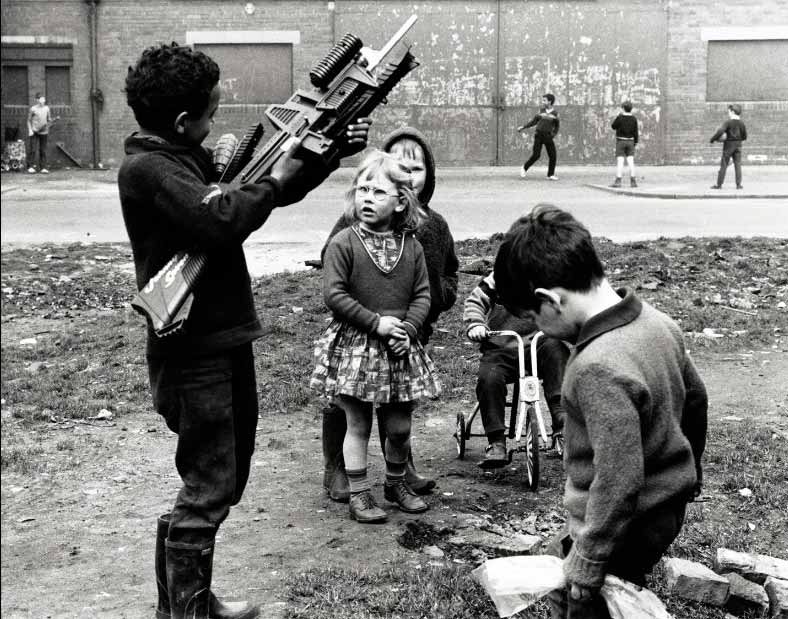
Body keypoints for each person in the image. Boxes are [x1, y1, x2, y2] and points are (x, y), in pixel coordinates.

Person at [118, 42, 370, 618]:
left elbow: (256, 198)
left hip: (223, 339)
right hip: (192, 351)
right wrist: (276, 181)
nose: (216, 121)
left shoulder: (180, 156)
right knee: (209, 485)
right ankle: (187, 611)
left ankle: (186, 603)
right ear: (184, 122)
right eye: (210, 111)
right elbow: (225, 215)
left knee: (223, 480)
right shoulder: (150, 169)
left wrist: (323, 158)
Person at [493, 204, 708, 619]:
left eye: (534, 320)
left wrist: (589, 560)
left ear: (550, 301)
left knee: (585, 600)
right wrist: (689, 470)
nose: (539, 332)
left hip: (628, 520)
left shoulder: (596, 367)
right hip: (663, 508)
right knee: (575, 571)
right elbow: (696, 402)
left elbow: (618, 477)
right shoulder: (658, 322)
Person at [319, 127, 458, 501]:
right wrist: (374, 318)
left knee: (398, 415)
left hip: (406, 335)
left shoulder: (428, 229)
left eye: (415, 169)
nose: (407, 173)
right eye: (364, 188)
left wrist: (414, 323)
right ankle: (343, 473)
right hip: (361, 335)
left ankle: (399, 475)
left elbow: (439, 278)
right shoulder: (350, 231)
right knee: (352, 413)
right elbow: (332, 279)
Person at [463, 265, 568, 468]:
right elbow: (475, 301)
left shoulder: (550, 275)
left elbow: (569, 303)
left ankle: (562, 421)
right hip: (501, 345)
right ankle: (496, 442)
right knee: (489, 378)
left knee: (557, 351)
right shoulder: (499, 277)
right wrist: (476, 323)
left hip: (539, 343)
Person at [518, 93, 559, 181]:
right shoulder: (541, 111)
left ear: (550, 101)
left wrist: (553, 135)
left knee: (553, 156)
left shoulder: (555, 113)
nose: (542, 102)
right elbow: (534, 121)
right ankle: (524, 168)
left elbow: (557, 126)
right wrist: (523, 127)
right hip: (538, 135)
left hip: (548, 137)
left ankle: (550, 175)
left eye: (544, 100)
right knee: (536, 155)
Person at [710, 104, 747, 190]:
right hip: (738, 145)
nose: (728, 113)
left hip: (728, 145)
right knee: (738, 164)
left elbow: (720, 131)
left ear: (733, 112)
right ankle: (738, 185)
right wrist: (739, 138)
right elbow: (745, 136)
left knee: (724, 164)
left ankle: (719, 185)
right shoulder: (742, 123)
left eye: (729, 112)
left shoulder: (728, 122)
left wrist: (713, 139)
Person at [609, 101, 639, 188]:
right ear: (631, 109)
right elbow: (636, 132)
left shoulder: (620, 117)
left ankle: (618, 181)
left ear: (623, 108)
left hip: (621, 141)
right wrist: (635, 142)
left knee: (620, 162)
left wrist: (618, 118)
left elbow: (613, 126)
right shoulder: (634, 119)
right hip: (630, 141)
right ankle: (633, 181)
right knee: (631, 161)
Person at [27, 93, 53, 174]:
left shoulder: (47, 108)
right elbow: (28, 120)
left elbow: (49, 120)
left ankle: (43, 167)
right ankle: (31, 167)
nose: (43, 101)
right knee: (33, 149)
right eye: (41, 99)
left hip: (44, 132)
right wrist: (30, 130)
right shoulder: (33, 109)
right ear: (37, 100)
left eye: (44, 99)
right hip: (34, 131)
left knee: (43, 150)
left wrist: (48, 126)